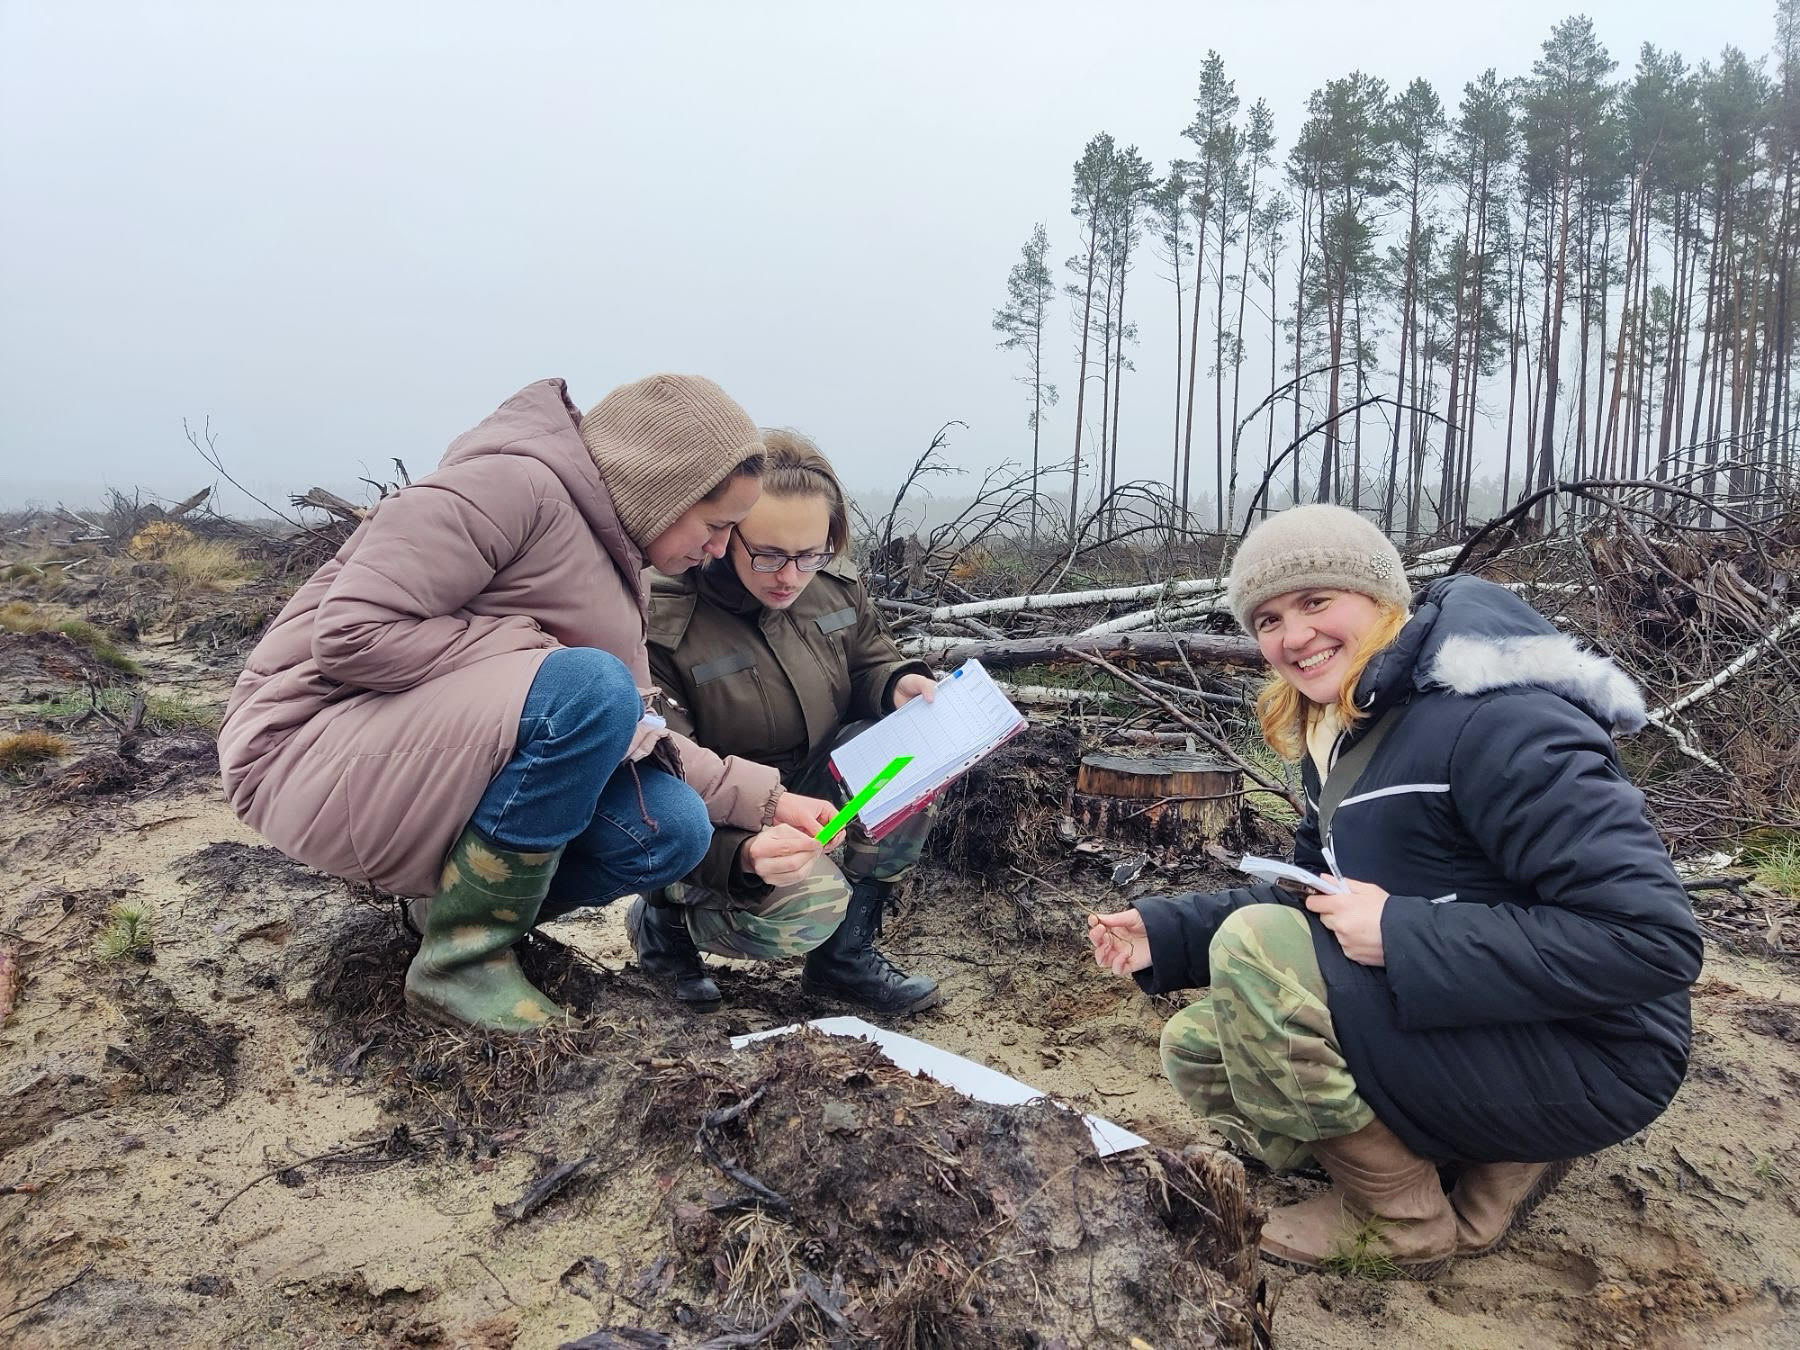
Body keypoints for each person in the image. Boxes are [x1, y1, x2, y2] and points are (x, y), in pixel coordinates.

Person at [1087, 503, 1702, 1278]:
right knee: (1202, 1047)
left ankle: (1401, 1218)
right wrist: (1166, 932)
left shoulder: (1499, 721)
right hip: (1484, 1015)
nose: (1292, 636)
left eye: (1316, 602)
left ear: (1381, 600)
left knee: (1256, 962)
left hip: (1594, 1052)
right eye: (1268, 618)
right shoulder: (1349, 727)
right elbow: (1309, 900)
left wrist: (1401, 931)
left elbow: (1653, 944)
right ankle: (1476, 1157)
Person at [218, 375, 840, 1033]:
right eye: (717, 526)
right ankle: (462, 966)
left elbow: (633, 718)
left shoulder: (617, 560)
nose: (718, 549)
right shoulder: (508, 486)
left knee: (671, 827)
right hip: (298, 748)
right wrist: (536, 658)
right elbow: (351, 635)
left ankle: (447, 919)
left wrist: (766, 800)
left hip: (403, 755)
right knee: (589, 686)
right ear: (666, 490)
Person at [639, 428, 942, 1015]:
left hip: (811, 789)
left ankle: (844, 963)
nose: (789, 576)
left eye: (810, 554)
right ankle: (665, 924)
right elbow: (662, 781)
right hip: (713, 819)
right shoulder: (661, 618)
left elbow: (866, 660)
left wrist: (894, 684)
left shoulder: (830, 588)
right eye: (769, 554)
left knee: (908, 762)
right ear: (725, 531)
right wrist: (744, 855)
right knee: (805, 909)